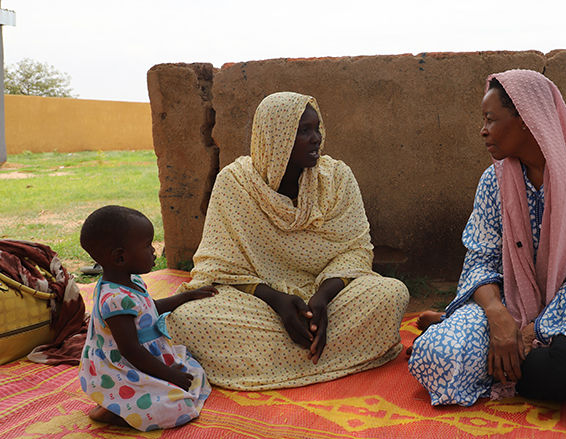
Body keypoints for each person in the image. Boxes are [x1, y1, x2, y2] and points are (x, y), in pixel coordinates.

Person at [408, 70, 566, 418]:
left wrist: (532, 330)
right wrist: (499, 318)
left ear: (527, 121)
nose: (482, 130)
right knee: (436, 354)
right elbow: (480, 260)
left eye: (490, 119)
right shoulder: (492, 181)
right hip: (508, 305)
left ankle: (493, 354)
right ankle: (480, 342)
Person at [167, 91, 409, 390]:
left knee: (390, 293)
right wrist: (278, 301)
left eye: (316, 128)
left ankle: (271, 360)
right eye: (304, 131)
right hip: (258, 300)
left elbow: (357, 250)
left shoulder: (337, 177)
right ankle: (326, 353)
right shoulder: (235, 183)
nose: (317, 138)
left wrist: (321, 299)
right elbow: (219, 266)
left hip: (328, 295)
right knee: (189, 317)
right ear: (275, 138)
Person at [78, 205, 216, 431]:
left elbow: (150, 308)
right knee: (177, 408)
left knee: (193, 373)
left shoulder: (133, 283)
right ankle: (116, 411)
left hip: (146, 360)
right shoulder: (114, 300)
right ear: (120, 257)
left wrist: (186, 296)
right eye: (147, 245)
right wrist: (169, 375)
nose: (154, 251)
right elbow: (130, 350)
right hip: (124, 369)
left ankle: (126, 403)